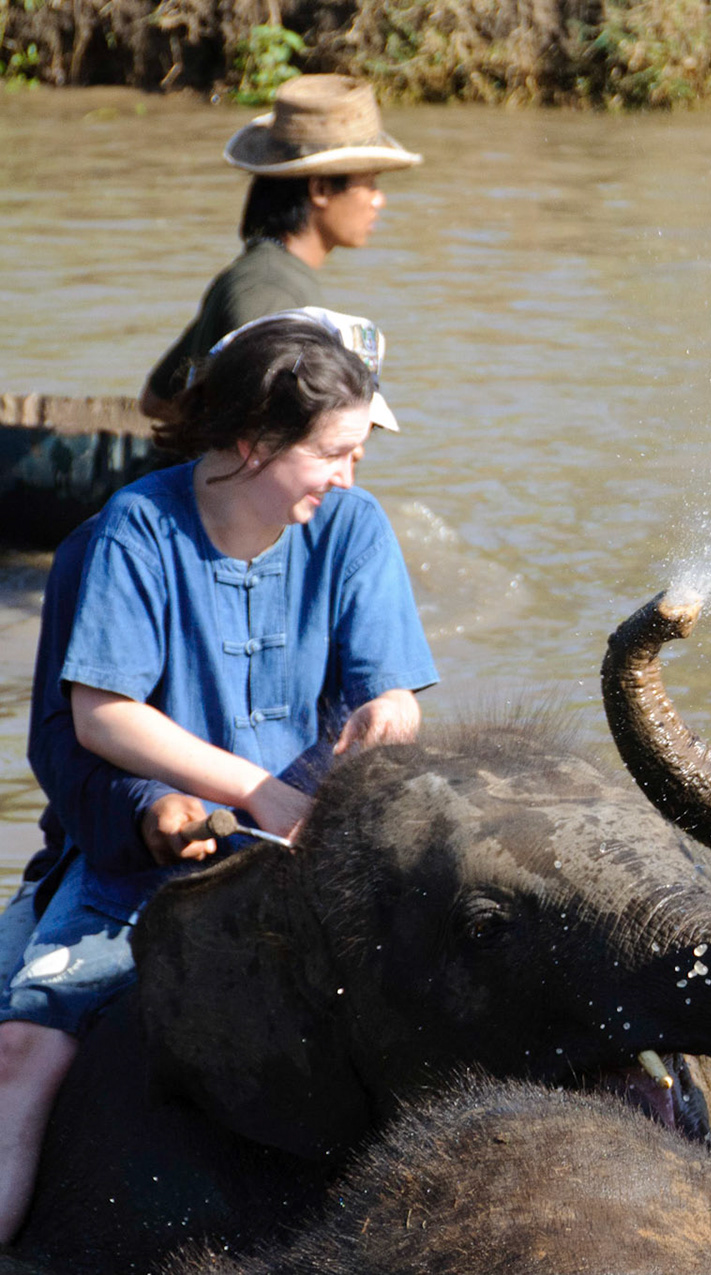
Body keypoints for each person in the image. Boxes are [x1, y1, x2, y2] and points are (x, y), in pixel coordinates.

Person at [0, 314, 438, 1241]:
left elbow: (391, 690)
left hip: (320, 859)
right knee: (24, 1048)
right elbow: (99, 716)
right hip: (147, 868)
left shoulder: (353, 528)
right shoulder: (133, 532)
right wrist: (256, 793)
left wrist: (390, 714)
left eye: (357, 453)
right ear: (254, 445)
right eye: (334, 453)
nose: (349, 476)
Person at [139, 74, 420, 417]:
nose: (380, 201)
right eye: (370, 184)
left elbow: (157, 399)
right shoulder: (270, 292)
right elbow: (267, 430)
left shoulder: (262, 274)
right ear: (320, 189)